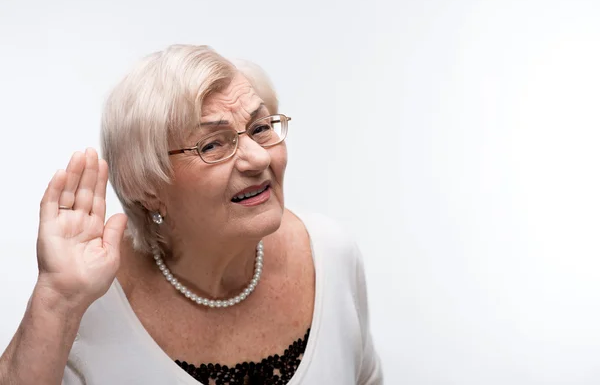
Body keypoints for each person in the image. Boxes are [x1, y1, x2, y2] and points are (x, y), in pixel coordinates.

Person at [0, 45, 383, 384]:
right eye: (213, 144)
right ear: (147, 188)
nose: (259, 157)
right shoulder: (85, 304)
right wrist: (56, 298)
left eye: (260, 128)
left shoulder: (332, 254)